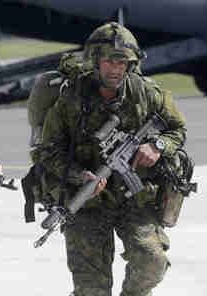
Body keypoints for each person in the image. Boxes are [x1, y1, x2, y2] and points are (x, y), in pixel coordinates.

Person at [39, 22, 187, 296]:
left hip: (136, 200)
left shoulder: (146, 94)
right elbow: (47, 152)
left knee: (152, 264)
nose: (117, 69)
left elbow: (178, 130)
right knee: (91, 289)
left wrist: (157, 145)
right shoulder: (71, 100)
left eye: (123, 63)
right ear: (95, 61)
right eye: (110, 62)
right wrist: (77, 176)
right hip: (87, 203)